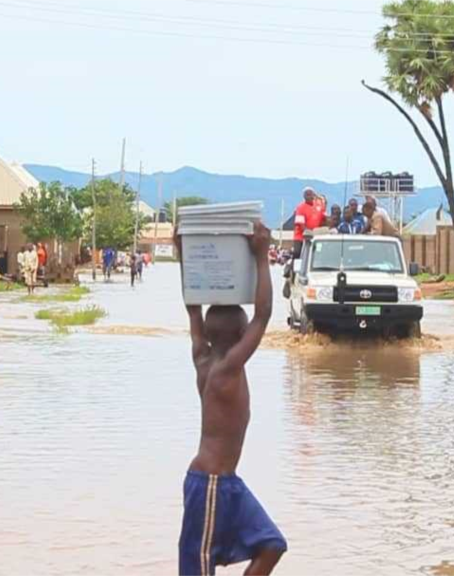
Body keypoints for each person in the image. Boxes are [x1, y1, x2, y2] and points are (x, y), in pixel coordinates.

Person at [176, 223, 286, 576]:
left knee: (272, 545)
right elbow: (264, 314)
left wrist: (185, 256)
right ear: (241, 336)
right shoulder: (227, 370)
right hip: (209, 482)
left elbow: (193, 309)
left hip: (225, 482)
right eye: (245, 332)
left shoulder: (202, 358)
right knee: (200, 569)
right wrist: (261, 255)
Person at [292, 188, 324, 259]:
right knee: (297, 253)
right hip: (301, 236)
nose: (309, 196)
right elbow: (301, 226)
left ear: (313, 195)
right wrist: (310, 233)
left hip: (316, 235)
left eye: (310, 194)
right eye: (307, 195)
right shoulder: (300, 208)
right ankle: (292, 267)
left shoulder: (319, 206)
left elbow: (324, 219)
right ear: (304, 197)